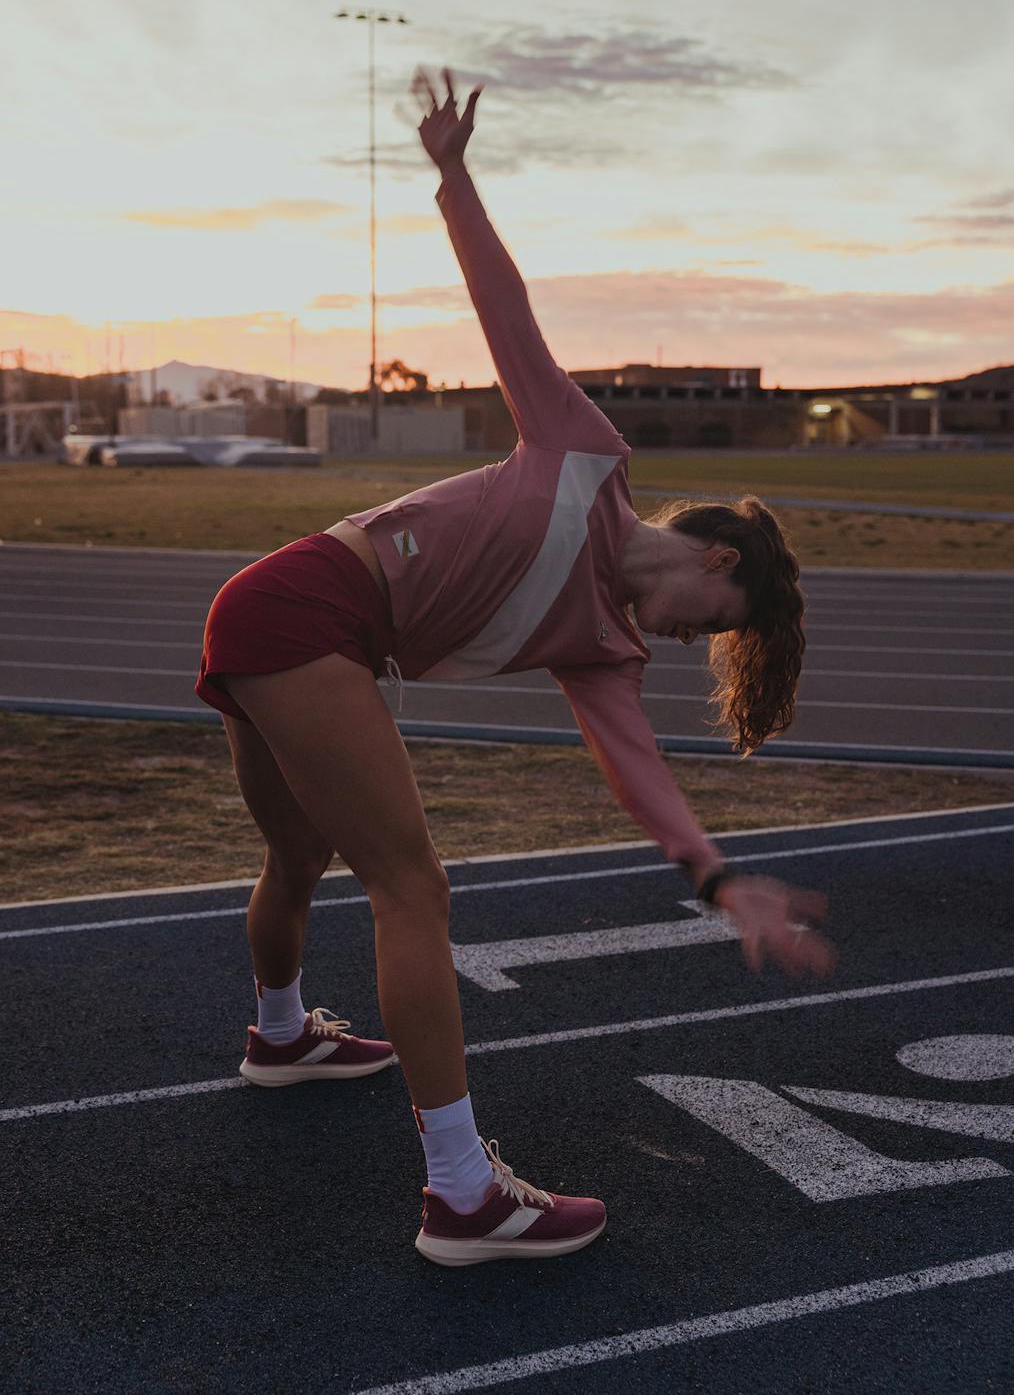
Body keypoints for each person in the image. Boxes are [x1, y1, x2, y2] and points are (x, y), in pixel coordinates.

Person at [194, 66, 835, 1268]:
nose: (697, 637)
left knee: (300, 851)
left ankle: (280, 1035)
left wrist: (715, 877)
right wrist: (452, 175)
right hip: (304, 606)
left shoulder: (604, 646)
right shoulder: (587, 456)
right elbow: (508, 313)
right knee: (412, 888)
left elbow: (640, 773)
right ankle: (461, 1196)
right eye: (718, 613)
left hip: (290, 621)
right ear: (710, 549)